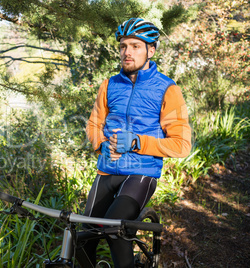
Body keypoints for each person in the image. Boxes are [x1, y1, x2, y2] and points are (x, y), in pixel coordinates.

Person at [79, 18, 192, 267]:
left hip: (141, 174)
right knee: (82, 237)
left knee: (115, 229)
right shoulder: (109, 84)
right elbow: (93, 125)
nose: (127, 52)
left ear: (151, 50)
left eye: (135, 46)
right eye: (123, 46)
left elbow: (182, 144)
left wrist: (137, 142)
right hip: (107, 171)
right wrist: (100, 144)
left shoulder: (167, 89)